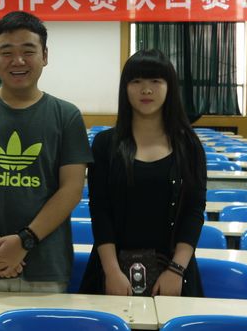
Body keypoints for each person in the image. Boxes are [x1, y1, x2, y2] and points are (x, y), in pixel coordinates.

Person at [0, 11, 92, 293]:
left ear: (44, 56)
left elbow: (71, 189)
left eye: (28, 51)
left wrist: (24, 241)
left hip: (45, 267)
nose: (18, 61)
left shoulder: (67, 115)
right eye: (7, 52)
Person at [79, 49, 206, 297]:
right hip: (112, 271)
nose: (146, 90)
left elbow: (194, 211)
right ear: (125, 88)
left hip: (174, 272)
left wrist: (176, 270)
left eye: (155, 81)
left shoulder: (189, 146)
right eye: (136, 81)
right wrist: (112, 272)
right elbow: (100, 211)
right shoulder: (105, 144)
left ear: (169, 87)